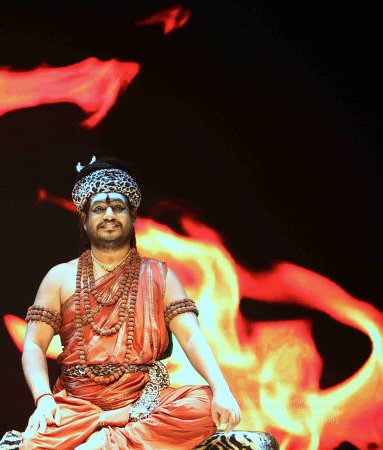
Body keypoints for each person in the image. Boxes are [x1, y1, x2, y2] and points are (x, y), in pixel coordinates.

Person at [19, 157, 241, 449]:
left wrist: (222, 388)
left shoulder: (160, 276)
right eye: (99, 209)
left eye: (118, 207)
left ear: (133, 216)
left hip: (141, 404)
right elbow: (34, 345)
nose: (109, 215)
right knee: (33, 443)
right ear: (84, 219)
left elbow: (191, 337)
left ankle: (103, 440)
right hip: (76, 405)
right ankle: (107, 433)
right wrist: (44, 399)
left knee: (203, 403)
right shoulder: (59, 277)